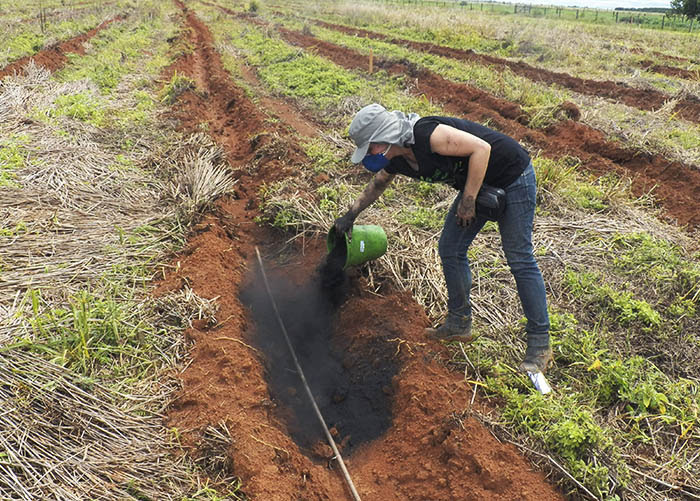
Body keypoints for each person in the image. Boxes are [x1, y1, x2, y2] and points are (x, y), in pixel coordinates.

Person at [334, 103, 552, 373]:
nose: (369, 155)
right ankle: (459, 323)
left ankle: (539, 345)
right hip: (479, 181)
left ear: (385, 138)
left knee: (519, 257)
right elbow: (378, 183)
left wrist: (468, 201)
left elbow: (481, 149)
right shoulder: (398, 159)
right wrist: (350, 216)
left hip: (512, 174)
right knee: (450, 248)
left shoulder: (427, 135)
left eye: (370, 148)